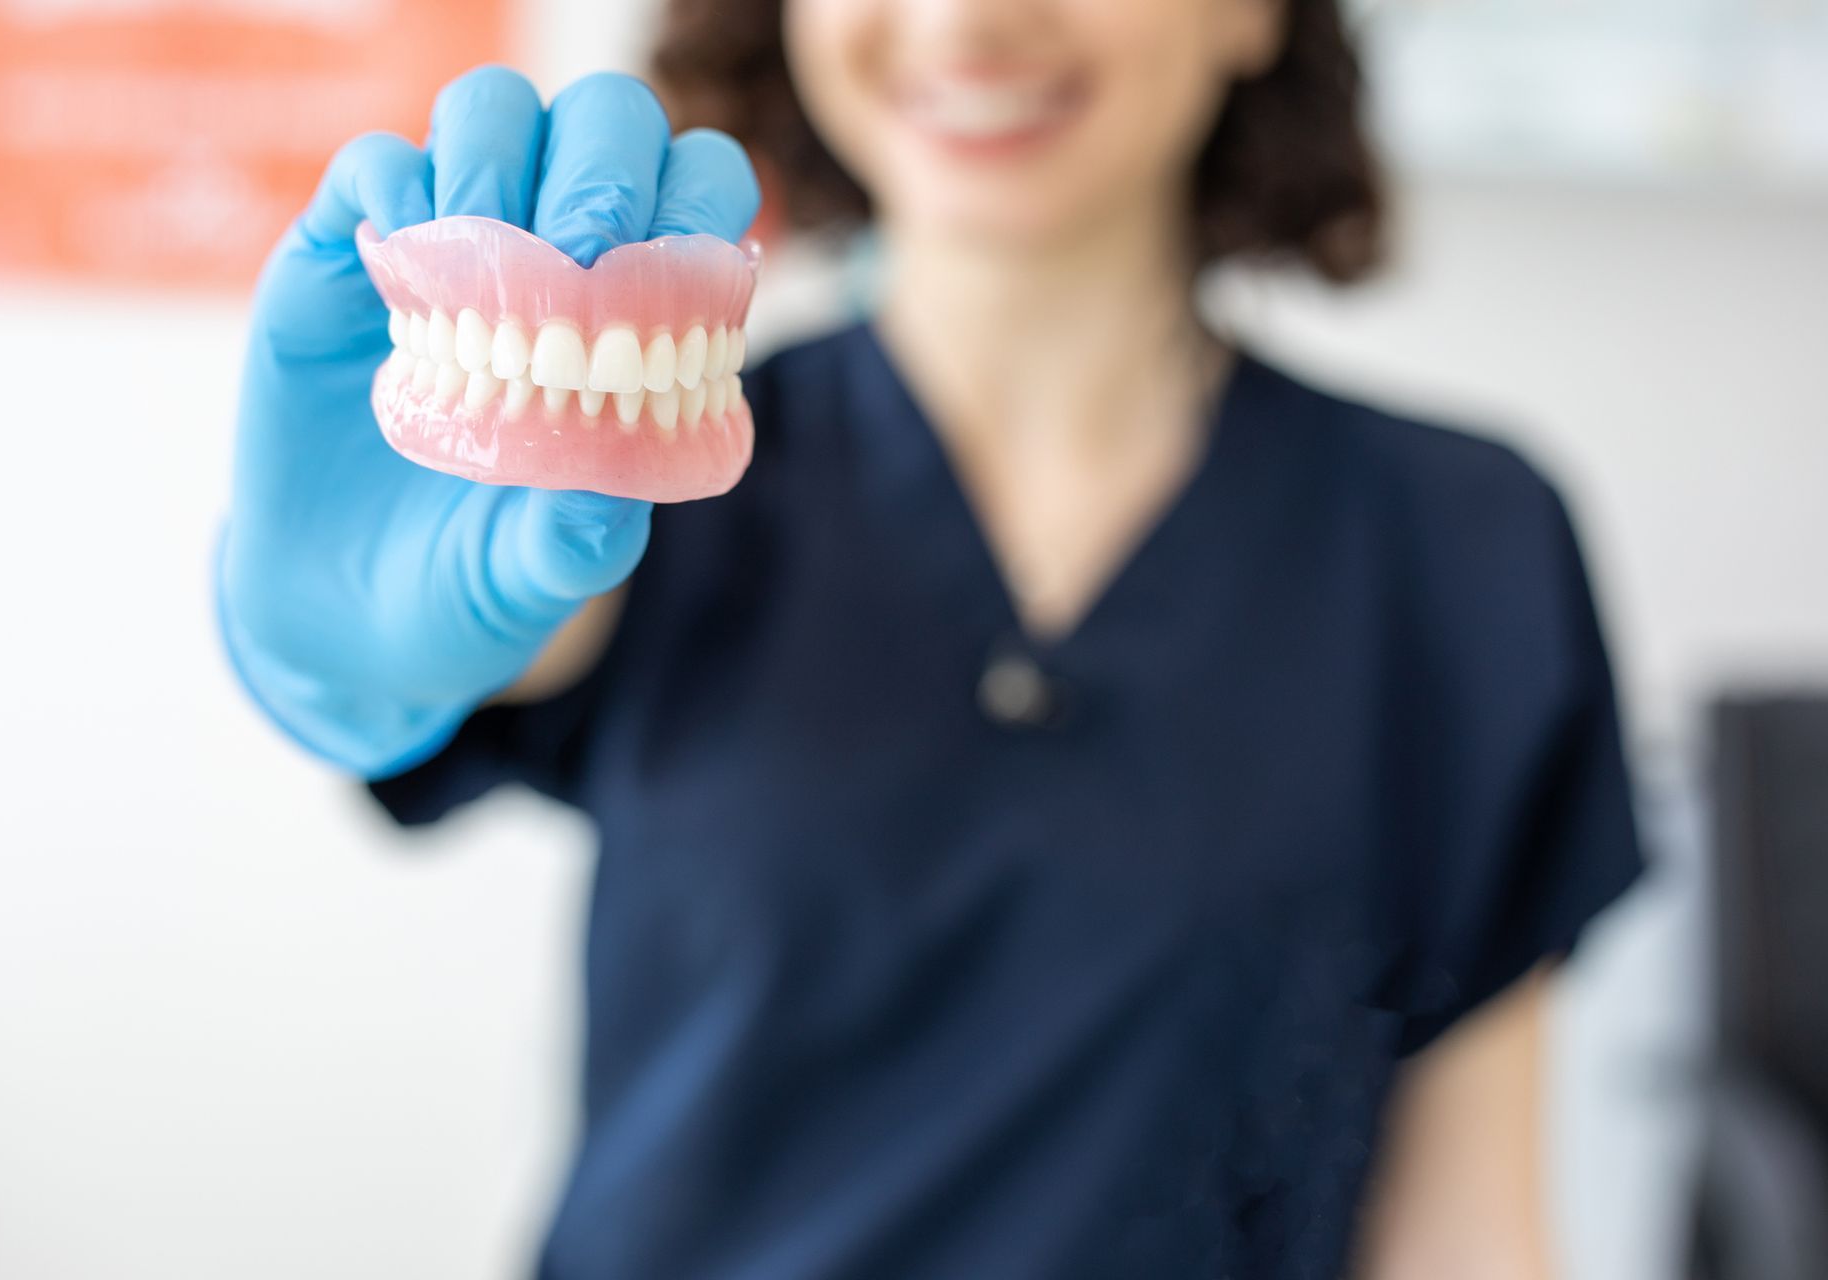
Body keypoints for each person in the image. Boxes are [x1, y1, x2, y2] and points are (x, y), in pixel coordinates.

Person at [217, 0, 1645, 1275]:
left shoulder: (1461, 544)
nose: (965, 20)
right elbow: (438, 662)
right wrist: (335, 650)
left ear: (1252, 14)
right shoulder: (636, 469)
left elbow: (1465, 1232)